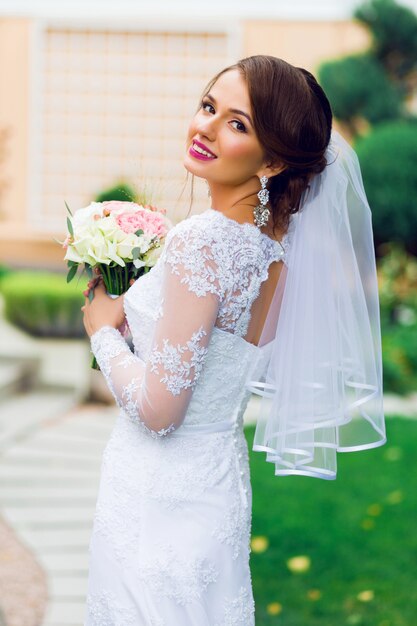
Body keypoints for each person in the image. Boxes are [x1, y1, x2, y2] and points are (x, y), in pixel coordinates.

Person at [82, 55, 385, 624]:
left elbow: (160, 410)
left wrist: (104, 334)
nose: (207, 128)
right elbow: (215, 364)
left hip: (156, 494)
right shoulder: (275, 260)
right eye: (208, 107)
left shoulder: (203, 243)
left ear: (272, 160)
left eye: (237, 123)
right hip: (216, 484)